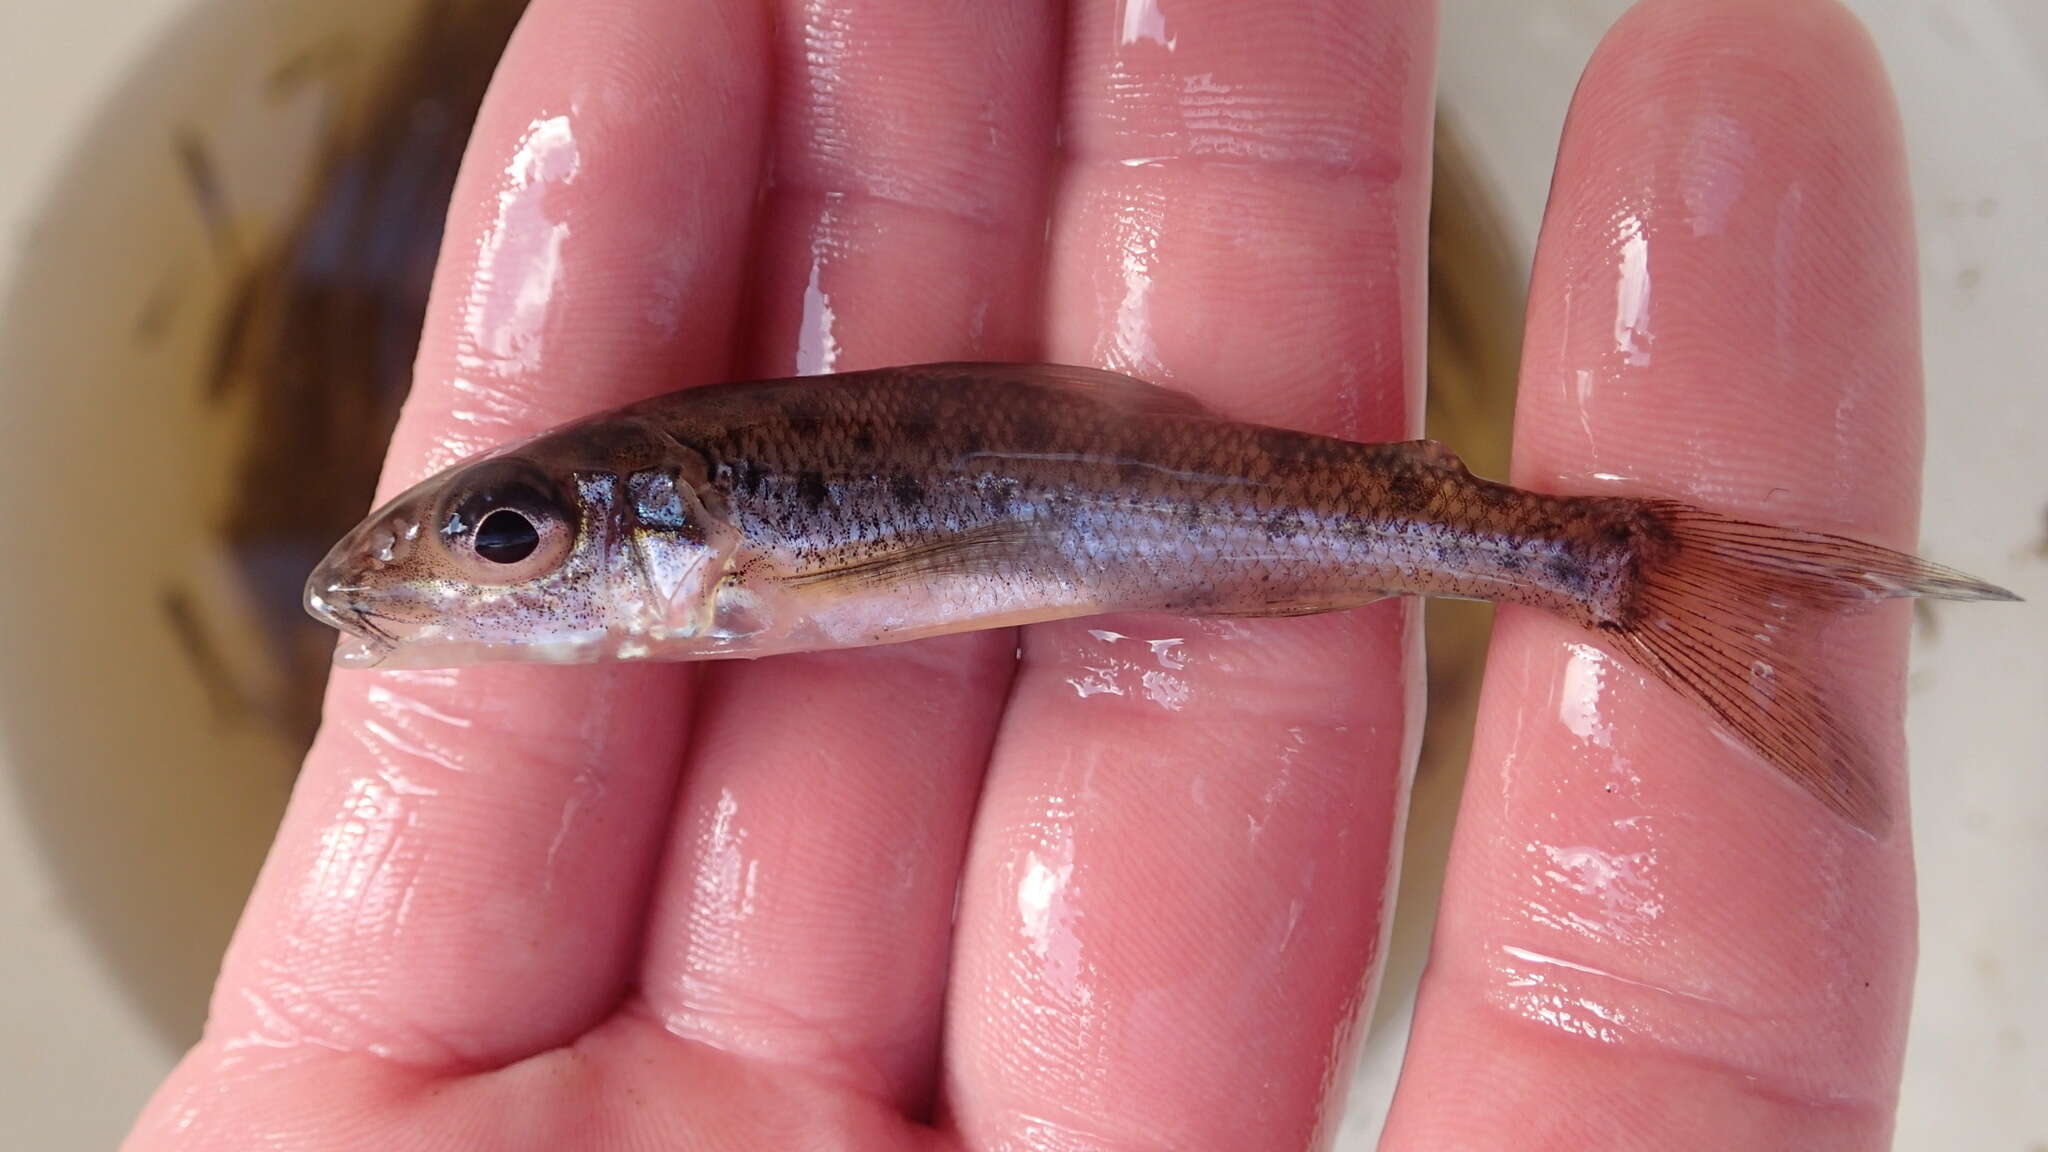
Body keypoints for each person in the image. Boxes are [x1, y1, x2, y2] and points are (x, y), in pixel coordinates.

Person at [122, 0, 1927, 1147]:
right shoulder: (701, 551)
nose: (476, 571)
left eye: (508, 537)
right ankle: (1624, 570)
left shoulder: (741, 555)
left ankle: (1622, 569)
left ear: (674, 529)